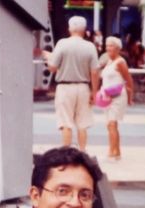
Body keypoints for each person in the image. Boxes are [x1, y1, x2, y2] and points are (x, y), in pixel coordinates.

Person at [47, 16, 99, 151]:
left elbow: (52, 67)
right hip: (83, 87)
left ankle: (66, 153)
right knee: (82, 124)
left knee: (66, 123)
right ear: (84, 29)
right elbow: (94, 72)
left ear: (70, 28)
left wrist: (47, 57)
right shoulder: (90, 46)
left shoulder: (62, 44)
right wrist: (94, 92)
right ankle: (82, 152)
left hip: (64, 87)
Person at [100, 36, 133, 161]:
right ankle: (116, 151)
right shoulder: (108, 61)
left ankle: (112, 152)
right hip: (107, 96)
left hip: (118, 96)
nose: (108, 48)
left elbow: (129, 80)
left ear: (118, 48)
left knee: (112, 123)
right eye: (107, 45)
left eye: (111, 46)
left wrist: (130, 97)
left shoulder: (120, 62)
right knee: (110, 125)